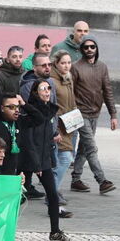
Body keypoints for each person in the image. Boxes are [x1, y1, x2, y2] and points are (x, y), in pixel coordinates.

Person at [19, 79, 70, 241]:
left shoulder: (49, 110)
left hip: (43, 159)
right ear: (36, 92)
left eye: (49, 88)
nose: (47, 91)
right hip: (28, 159)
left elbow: (45, 137)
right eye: (43, 89)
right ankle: (4, 228)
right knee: (19, 196)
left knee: (52, 194)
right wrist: (36, 164)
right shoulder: (29, 112)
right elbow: (29, 141)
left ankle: (55, 231)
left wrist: (53, 138)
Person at [70, 37, 117, 194]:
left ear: (96, 48)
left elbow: (108, 91)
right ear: (82, 50)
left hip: (95, 113)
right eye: (86, 47)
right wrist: (74, 111)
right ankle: (102, 181)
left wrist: (113, 114)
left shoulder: (102, 67)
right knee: (91, 147)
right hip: (80, 113)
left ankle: (76, 179)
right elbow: (70, 92)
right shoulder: (75, 68)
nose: (89, 49)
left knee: (83, 148)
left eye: (92, 47)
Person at [50, 50, 77, 198]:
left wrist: (75, 115)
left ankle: (53, 192)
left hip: (68, 126)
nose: (67, 66)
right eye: (63, 63)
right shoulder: (52, 81)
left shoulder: (68, 78)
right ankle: (52, 193)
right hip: (56, 127)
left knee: (65, 159)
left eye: (68, 62)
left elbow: (71, 101)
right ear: (56, 63)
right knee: (63, 159)